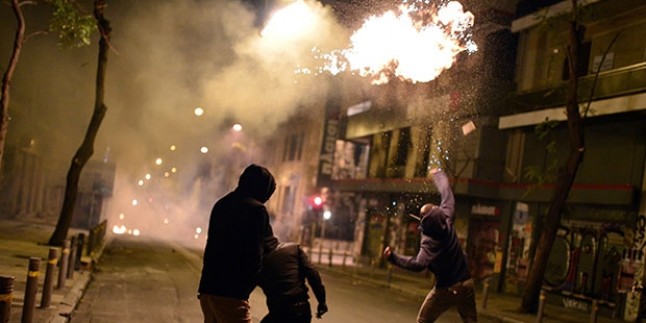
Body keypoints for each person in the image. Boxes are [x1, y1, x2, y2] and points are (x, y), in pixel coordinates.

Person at [383, 168, 477, 323]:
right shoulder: (446, 218)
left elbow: (418, 264)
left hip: (447, 288)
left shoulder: (429, 242)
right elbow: (447, 193)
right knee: (470, 320)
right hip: (467, 283)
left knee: (423, 321)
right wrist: (439, 174)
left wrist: (393, 257)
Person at [198, 164, 277, 323]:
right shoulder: (257, 210)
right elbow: (256, 254)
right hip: (231, 293)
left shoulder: (222, 203)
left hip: (208, 289)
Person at [257, 236, 328, 323]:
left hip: (278, 313)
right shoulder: (294, 249)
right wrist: (321, 301)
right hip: (300, 310)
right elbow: (313, 274)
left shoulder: (260, 263)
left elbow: (246, 287)